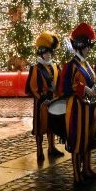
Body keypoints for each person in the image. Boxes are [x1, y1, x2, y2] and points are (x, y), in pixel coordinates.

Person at [59, 23, 96, 185]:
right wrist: (84, 89)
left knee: (89, 138)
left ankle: (87, 169)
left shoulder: (86, 64)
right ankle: (77, 174)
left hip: (89, 107)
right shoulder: (71, 65)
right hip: (77, 108)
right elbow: (66, 86)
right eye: (87, 47)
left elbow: (90, 82)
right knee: (77, 140)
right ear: (80, 47)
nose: (89, 50)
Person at [26, 32, 64, 164]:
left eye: (50, 53)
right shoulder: (35, 68)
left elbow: (59, 82)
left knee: (51, 125)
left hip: (53, 100)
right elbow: (32, 87)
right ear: (41, 54)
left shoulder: (55, 66)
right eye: (46, 53)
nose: (48, 55)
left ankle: (52, 148)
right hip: (41, 102)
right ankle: (39, 150)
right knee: (40, 127)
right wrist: (41, 98)